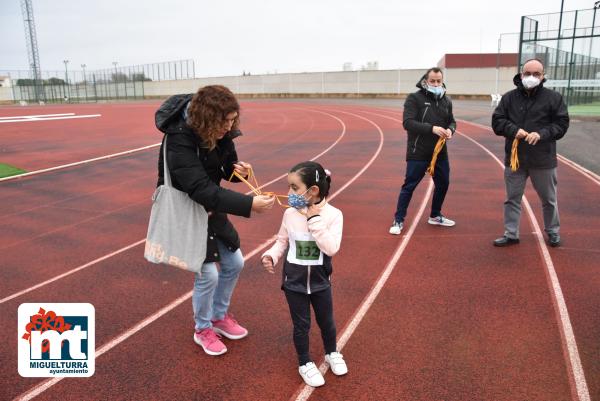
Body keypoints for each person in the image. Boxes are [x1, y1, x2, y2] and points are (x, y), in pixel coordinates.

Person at [154, 85, 275, 356]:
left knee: (235, 262)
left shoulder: (220, 130)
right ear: (206, 118)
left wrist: (238, 171)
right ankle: (202, 328)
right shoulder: (179, 139)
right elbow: (199, 188)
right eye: (225, 122)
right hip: (188, 211)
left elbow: (224, 168)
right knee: (207, 273)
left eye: (233, 121)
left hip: (210, 207)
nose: (229, 127)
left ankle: (219, 317)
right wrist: (249, 205)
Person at [261, 161, 348, 387]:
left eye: (294, 188)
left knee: (327, 322)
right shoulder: (290, 214)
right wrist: (271, 255)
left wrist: (313, 219)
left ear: (313, 190)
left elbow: (331, 248)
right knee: (302, 325)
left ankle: (332, 352)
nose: (289, 193)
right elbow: (282, 241)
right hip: (294, 283)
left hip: (320, 283)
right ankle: (304, 363)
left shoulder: (334, 215)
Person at [492, 58, 569, 247]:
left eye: (536, 74)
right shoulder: (509, 98)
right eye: (527, 73)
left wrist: (541, 134)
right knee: (512, 199)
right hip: (515, 159)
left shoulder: (554, 98)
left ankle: (553, 232)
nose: (531, 77)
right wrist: (513, 130)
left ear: (543, 76)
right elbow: (497, 121)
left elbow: (561, 124)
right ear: (521, 74)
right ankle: (511, 234)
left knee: (549, 200)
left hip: (542, 158)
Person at [389, 67, 457, 235]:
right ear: (425, 81)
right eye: (432, 81)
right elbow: (408, 123)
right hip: (418, 152)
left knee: (443, 184)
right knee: (409, 186)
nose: (435, 84)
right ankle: (398, 220)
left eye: (438, 81)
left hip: (440, 152)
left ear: (442, 81)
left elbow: (452, 122)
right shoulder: (414, 98)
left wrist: (450, 130)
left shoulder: (446, 101)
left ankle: (435, 215)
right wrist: (431, 129)